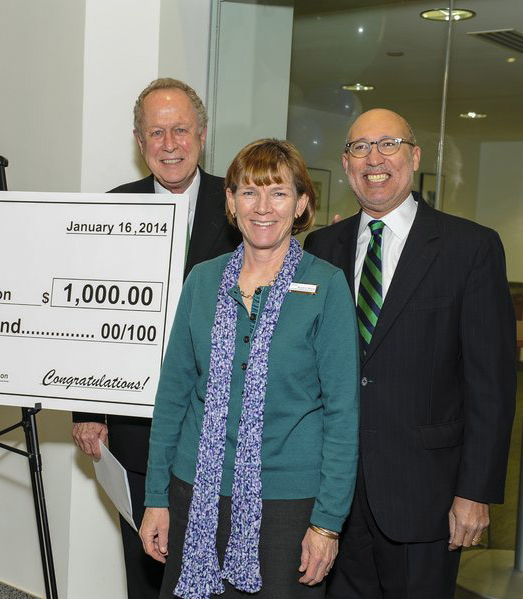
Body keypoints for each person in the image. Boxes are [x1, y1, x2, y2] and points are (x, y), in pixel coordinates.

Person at [303, 109, 516, 599]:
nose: (373, 158)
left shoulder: (471, 248)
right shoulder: (321, 247)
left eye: (389, 144)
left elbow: (492, 385)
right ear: (346, 162)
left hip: (425, 494)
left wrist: (475, 492)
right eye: (360, 147)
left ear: (414, 157)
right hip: (332, 494)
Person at [139, 139, 360, 599]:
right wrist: (156, 497)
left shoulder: (326, 285)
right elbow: (173, 396)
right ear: (231, 202)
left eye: (278, 193)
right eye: (248, 192)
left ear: (301, 204)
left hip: (286, 506)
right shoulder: (202, 279)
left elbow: (343, 413)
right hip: (193, 492)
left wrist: (328, 523)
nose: (263, 207)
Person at [70, 78, 241, 599]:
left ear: (203, 135)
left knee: (215, 570)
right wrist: (85, 407)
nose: (169, 144)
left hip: (218, 426)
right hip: (135, 433)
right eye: (156, 133)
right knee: (145, 569)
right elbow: (85, 315)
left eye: (181, 131)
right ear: (139, 142)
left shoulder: (240, 208)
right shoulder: (111, 211)